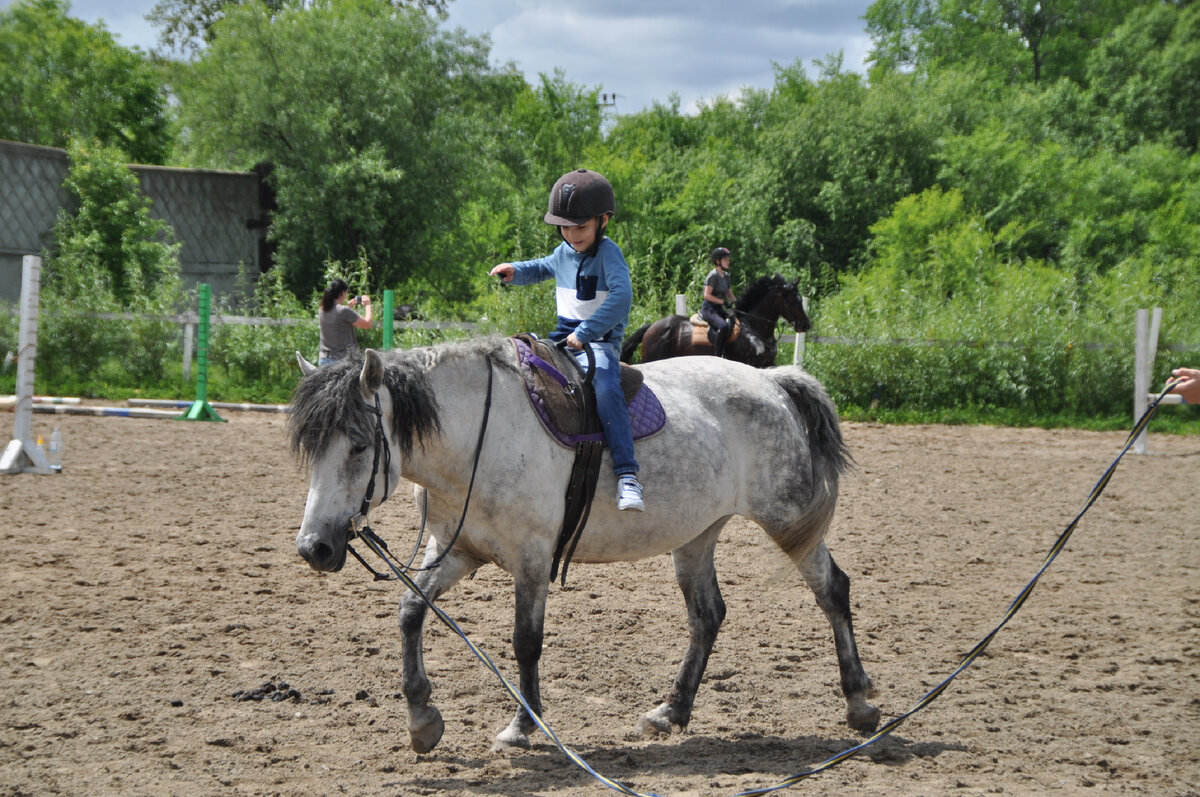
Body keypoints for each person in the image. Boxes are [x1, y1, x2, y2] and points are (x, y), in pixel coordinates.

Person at [489, 168, 644, 511]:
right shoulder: (563, 251)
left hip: (599, 343)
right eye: (565, 227)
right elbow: (542, 266)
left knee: (605, 388)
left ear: (603, 221)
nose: (572, 234)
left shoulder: (610, 255)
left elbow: (621, 298)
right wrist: (515, 270)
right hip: (563, 338)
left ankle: (627, 475)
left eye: (581, 227)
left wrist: (585, 334)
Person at [318, 278, 372, 366]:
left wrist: (349, 308)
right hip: (341, 362)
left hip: (323, 360)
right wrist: (368, 305)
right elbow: (367, 324)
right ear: (342, 293)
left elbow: (338, 321)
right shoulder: (343, 311)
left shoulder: (322, 310)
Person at [700, 246, 737, 357]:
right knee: (723, 326)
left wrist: (740, 303)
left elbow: (729, 295)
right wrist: (723, 302)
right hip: (709, 309)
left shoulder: (726, 276)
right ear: (717, 261)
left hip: (718, 309)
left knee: (733, 321)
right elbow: (706, 295)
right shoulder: (713, 275)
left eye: (728, 259)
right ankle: (717, 355)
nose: (728, 262)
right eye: (725, 259)